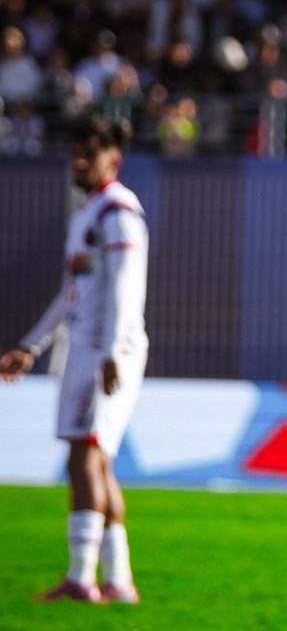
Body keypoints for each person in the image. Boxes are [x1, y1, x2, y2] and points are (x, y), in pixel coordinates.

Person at [0, 114, 147, 604]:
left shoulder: (118, 213)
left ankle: (81, 580)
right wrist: (30, 346)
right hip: (92, 347)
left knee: (83, 454)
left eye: (91, 152)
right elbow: (73, 294)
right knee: (97, 460)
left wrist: (110, 352)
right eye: (77, 150)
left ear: (114, 160)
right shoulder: (89, 212)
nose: (80, 160)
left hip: (105, 349)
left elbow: (126, 289)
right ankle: (120, 581)